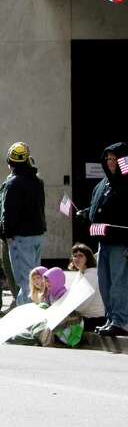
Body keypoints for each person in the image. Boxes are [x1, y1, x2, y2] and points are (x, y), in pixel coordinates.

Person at [83, 142, 128, 337]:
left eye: (114, 159)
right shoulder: (103, 184)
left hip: (121, 242)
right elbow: (97, 207)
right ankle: (111, 318)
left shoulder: (126, 182)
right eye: (108, 159)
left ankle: (121, 321)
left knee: (119, 283)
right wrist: (86, 214)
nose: (110, 162)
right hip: (103, 242)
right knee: (105, 283)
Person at [0, 142, 46, 307]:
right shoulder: (38, 182)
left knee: (26, 283)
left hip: (20, 239)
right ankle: (37, 315)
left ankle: (25, 325)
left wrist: (3, 230)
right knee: (36, 280)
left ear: (10, 163)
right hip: (37, 235)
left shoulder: (12, 184)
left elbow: (9, 215)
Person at [68, 243, 106, 331]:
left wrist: (67, 312)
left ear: (87, 258)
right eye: (75, 256)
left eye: (81, 256)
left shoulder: (91, 275)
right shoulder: (81, 273)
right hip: (83, 317)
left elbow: (84, 303)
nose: (77, 259)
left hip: (94, 320)